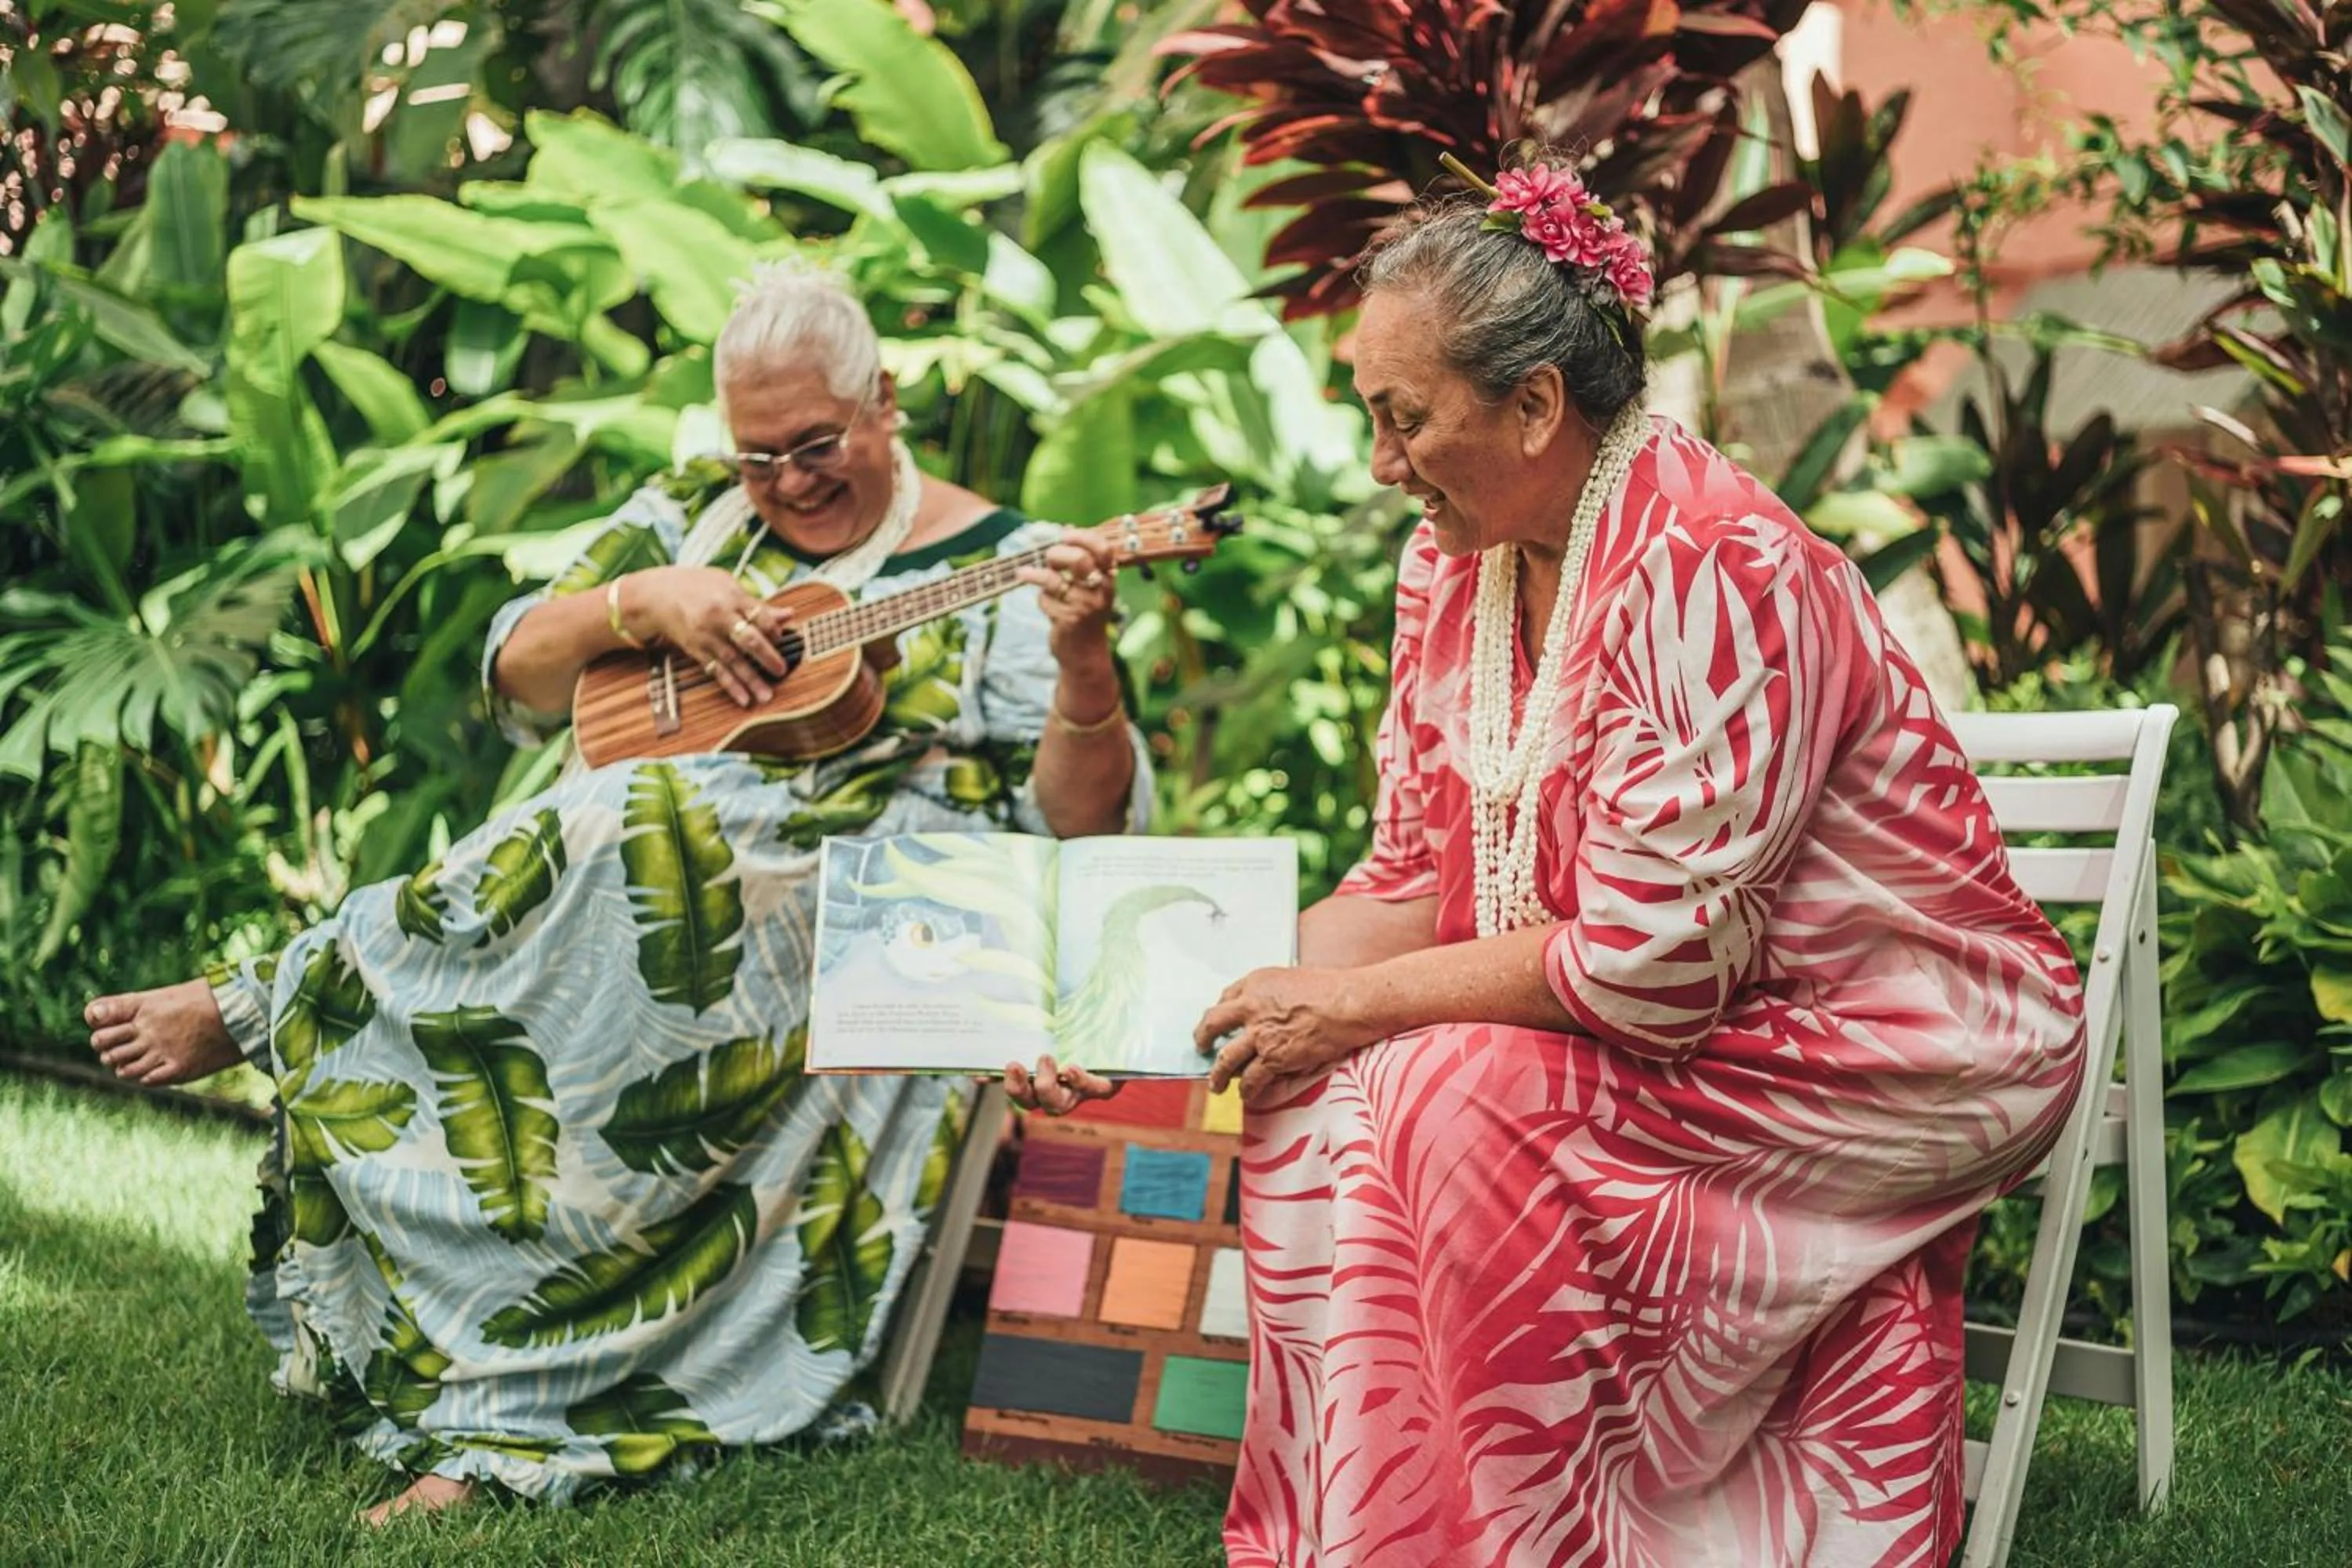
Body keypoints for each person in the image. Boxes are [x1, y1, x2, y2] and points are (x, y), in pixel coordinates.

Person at [1010, 155, 2086, 1566]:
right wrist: (1137, 1010)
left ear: (1533, 405)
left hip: (1901, 1035)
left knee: (1439, 1088)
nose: (1381, 462)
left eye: (1405, 419)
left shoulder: (1716, 562)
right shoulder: (1448, 565)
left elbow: (1652, 968)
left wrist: (1356, 1012)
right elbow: (1404, 883)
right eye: (1371, 415)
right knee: (1307, 1085)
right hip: (1674, 1009)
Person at [85, 264, 1149, 1523]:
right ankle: (489, 1352)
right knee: (611, 838)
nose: (792, 483)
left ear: (888, 403)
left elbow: (1086, 830)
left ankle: (287, 1008)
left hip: (884, 896)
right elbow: (519, 673)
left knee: (633, 825)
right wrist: (643, 599)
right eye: (760, 457)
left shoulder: (1004, 559)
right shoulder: (698, 518)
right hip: (654, 879)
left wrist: (1084, 663)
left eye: (818, 445)